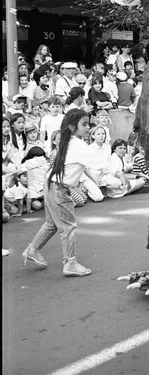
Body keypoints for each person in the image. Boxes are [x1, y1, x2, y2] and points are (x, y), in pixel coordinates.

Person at [22, 109, 99, 276]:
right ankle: (70, 263)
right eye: (84, 125)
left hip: (51, 185)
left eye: (88, 124)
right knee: (68, 226)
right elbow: (97, 162)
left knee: (52, 224)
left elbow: (86, 165)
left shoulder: (68, 141)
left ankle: (32, 249)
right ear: (72, 127)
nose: (88, 128)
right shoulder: (79, 145)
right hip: (58, 188)